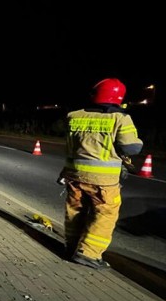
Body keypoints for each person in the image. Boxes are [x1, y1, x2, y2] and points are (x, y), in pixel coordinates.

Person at [57, 77, 143, 270]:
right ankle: (88, 253)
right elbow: (131, 149)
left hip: (74, 175)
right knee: (104, 214)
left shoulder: (74, 116)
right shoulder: (120, 118)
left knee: (74, 211)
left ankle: (71, 247)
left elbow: (72, 147)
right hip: (103, 181)